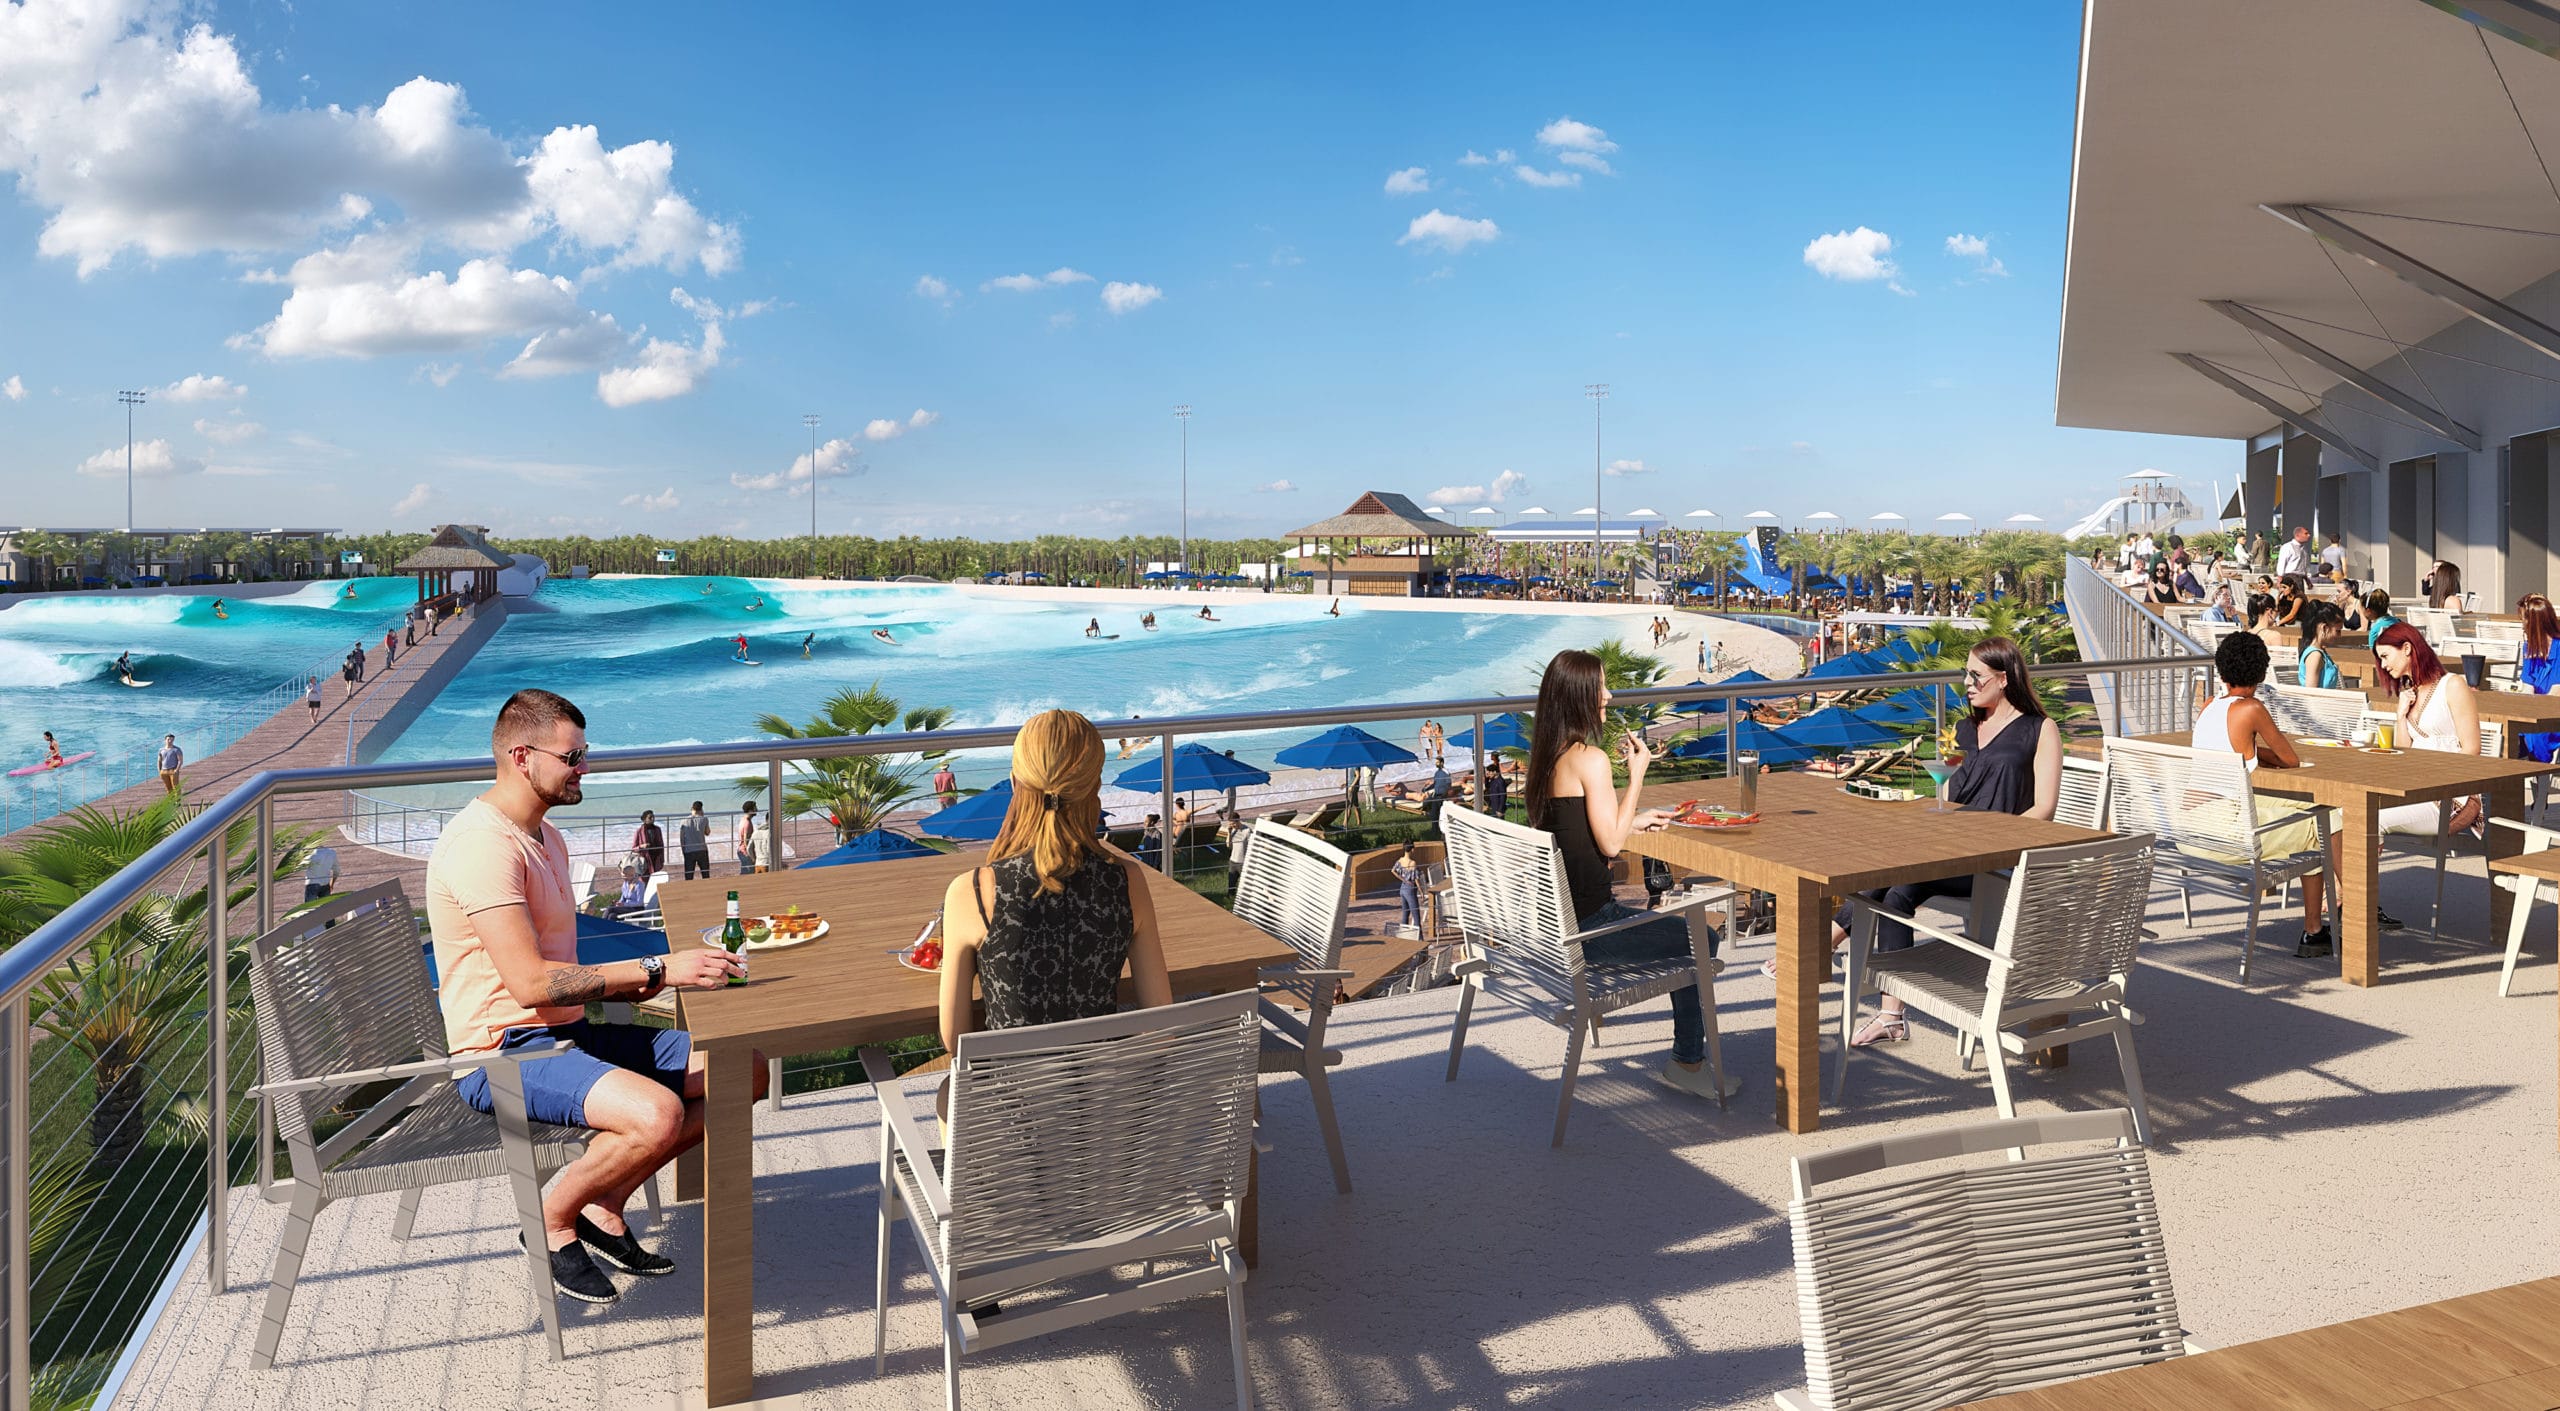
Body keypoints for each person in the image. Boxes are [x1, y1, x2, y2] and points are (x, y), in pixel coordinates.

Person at [423, 688, 757, 1306]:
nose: (586, 767)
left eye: (585, 753)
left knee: (745, 1072)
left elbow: (561, 973)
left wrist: (660, 973)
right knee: (657, 1114)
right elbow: (529, 984)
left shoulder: (546, 837)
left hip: (564, 1034)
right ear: (523, 757)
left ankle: (604, 1201)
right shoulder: (483, 848)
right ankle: (551, 1220)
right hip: (501, 1052)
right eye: (573, 756)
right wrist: (658, 969)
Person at [1522, 649, 1729, 1100]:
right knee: (1702, 939)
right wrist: (1638, 775)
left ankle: (1688, 1057)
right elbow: (1612, 847)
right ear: (1579, 696)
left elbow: (1580, 832)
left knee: (1685, 935)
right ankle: (1687, 1062)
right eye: (1600, 687)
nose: (1608, 696)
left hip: (1553, 925)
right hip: (1589, 933)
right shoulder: (1589, 758)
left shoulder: (1546, 757)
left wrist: (1630, 820)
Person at [935, 709, 1172, 1066]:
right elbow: (1160, 1030)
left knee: (944, 1094)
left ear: (1015, 783)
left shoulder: (973, 891)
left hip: (1010, 1114)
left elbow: (954, 1042)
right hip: (1102, 1108)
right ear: (1095, 787)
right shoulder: (1127, 882)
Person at [2191, 632, 2342, 956]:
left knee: (2318, 817)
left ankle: (2327, 921)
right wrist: (2265, 754)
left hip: (2191, 828)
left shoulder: (2208, 707)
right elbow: (2290, 760)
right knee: (2323, 822)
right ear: (2261, 673)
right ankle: (2345, 907)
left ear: (2221, 671)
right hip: (2229, 831)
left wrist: (2257, 753)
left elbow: (2237, 753)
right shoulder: (2252, 708)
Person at [2374, 623, 2486, 837]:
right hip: (2417, 789)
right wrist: (2400, 715)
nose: (2383, 664)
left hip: (2453, 795)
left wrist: (2431, 776)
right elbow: (2403, 752)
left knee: (2371, 820)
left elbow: (2472, 749)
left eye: (2386, 656)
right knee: (2351, 812)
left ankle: (2358, 871)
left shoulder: (2452, 685)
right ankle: (2353, 870)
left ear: (2406, 648)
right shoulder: (2409, 692)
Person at [2517, 594, 2560, 762]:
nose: (2522, 627)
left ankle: (2536, 771)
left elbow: (2555, 695)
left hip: (2553, 716)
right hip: (2535, 712)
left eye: (2523, 621)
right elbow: (2527, 687)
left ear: (2534, 623)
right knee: (2509, 729)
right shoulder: (2530, 648)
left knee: (2535, 735)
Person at [2297, 602, 2346, 690]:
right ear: (2324, 628)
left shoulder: (2319, 652)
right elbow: (2311, 694)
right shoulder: (2315, 656)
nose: (2339, 635)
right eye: (2337, 630)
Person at [677, 801, 714, 880]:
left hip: (689, 850)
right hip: (702, 849)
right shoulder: (704, 819)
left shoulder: (684, 821)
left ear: (692, 808)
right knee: (705, 874)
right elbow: (707, 833)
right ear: (701, 809)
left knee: (689, 876)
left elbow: (682, 838)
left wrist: (683, 850)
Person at [1392, 842, 1423, 932]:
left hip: (1403, 889)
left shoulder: (1400, 860)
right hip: (1410, 890)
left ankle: (1403, 936)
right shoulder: (1412, 863)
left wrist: (1403, 879)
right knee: (1416, 915)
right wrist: (1421, 891)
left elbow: (1393, 870)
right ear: (1412, 849)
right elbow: (1416, 879)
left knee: (1405, 914)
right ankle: (1420, 939)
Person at [630, 810, 665, 877]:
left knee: (655, 879)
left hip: (656, 858)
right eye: (650, 817)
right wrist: (642, 846)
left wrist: (662, 859)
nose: (652, 819)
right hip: (645, 860)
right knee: (645, 881)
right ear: (644, 820)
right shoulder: (639, 831)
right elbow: (633, 848)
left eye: (653, 817)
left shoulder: (657, 829)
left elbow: (661, 845)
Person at [734, 798, 759, 874]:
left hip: (742, 850)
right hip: (745, 852)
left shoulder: (743, 819)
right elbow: (746, 841)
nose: (757, 810)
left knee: (745, 873)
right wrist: (751, 856)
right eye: (755, 808)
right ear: (750, 810)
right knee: (749, 874)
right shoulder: (747, 823)